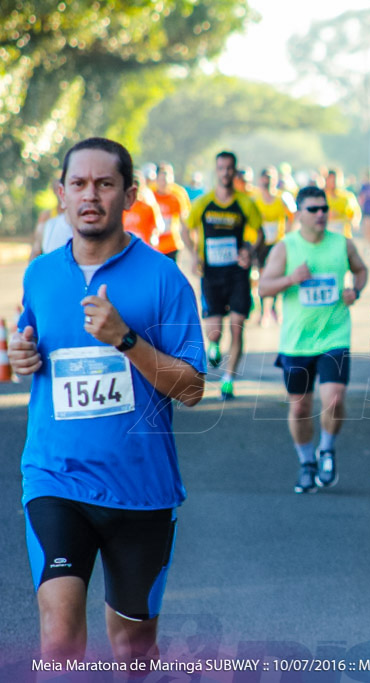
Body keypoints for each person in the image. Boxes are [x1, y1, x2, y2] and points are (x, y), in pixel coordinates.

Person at [10, 137, 205, 668]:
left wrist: (127, 340)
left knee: (132, 649)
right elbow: (28, 343)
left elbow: (191, 388)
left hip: (140, 490)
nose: (90, 195)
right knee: (59, 637)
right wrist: (21, 353)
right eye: (78, 184)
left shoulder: (165, 280)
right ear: (61, 195)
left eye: (104, 183)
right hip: (56, 478)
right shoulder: (41, 274)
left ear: (129, 195)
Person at [258, 186, 368, 493]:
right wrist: (291, 279)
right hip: (296, 342)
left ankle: (327, 449)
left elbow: (361, 270)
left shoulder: (341, 244)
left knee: (333, 399)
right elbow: (264, 288)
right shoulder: (286, 247)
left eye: (324, 208)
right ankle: (307, 463)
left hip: (334, 335)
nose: (321, 214)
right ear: (299, 215)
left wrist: (355, 291)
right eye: (313, 209)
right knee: (300, 408)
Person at [181, 151, 262, 400]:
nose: (225, 172)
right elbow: (186, 228)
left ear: (235, 171)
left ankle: (228, 380)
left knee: (237, 326)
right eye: (221, 168)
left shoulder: (245, 203)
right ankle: (214, 346)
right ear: (216, 171)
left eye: (229, 168)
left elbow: (259, 233)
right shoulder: (204, 203)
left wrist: (248, 250)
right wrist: (194, 254)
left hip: (237, 273)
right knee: (215, 332)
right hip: (212, 274)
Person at [253, 167, 296, 326]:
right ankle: (263, 312)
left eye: (271, 178)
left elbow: (294, 214)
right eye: (265, 178)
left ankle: (275, 310)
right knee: (263, 277)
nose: (267, 181)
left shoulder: (282, 197)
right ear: (260, 180)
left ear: (276, 180)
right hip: (261, 244)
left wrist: (289, 234)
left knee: (277, 276)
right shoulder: (256, 199)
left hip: (278, 244)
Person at [151, 162, 192, 262]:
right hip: (153, 245)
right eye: (161, 179)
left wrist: (190, 243)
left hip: (172, 245)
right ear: (156, 180)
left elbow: (185, 222)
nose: (164, 182)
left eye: (167, 179)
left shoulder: (177, 196)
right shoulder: (150, 195)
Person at [29, 177, 73, 260]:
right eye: (56, 189)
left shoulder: (75, 215)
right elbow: (37, 246)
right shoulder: (47, 216)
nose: (59, 193)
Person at [122, 171, 163, 249]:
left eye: (137, 186)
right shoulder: (122, 208)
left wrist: (153, 238)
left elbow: (157, 228)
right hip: (125, 249)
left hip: (142, 248)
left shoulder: (148, 207)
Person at [324, 167, 361, 239]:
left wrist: (355, 221)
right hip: (326, 237)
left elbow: (356, 213)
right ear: (326, 180)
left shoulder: (348, 197)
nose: (333, 182)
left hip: (343, 236)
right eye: (331, 180)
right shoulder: (321, 197)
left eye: (335, 180)